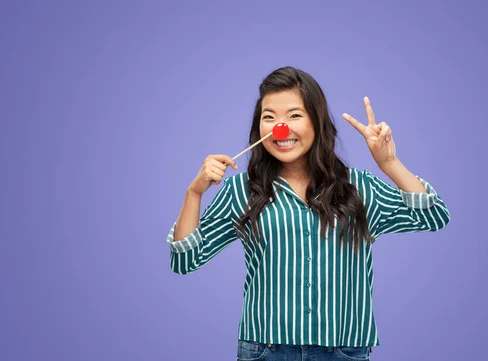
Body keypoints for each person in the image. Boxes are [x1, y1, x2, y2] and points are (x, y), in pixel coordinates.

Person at [165, 66, 451, 361]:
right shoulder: (243, 191)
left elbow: (433, 216)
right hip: (265, 350)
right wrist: (194, 193)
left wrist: (389, 163)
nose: (281, 127)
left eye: (294, 115)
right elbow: (185, 260)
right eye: (269, 117)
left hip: (343, 350)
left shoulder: (359, 188)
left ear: (317, 121)